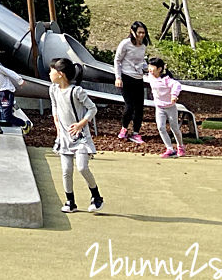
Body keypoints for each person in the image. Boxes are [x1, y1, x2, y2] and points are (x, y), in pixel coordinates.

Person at [49, 57, 103, 213]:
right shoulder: (53, 89)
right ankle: (70, 202)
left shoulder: (76, 91)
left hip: (80, 138)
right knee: (66, 170)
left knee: (82, 167)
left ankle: (96, 196)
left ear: (60, 73)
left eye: (52, 70)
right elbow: (54, 106)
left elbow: (93, 109)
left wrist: (81, 124)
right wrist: (57, 124)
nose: (50, 73)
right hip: (63, 138)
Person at [114, 21, 150, 144]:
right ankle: (124, 128)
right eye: (139, 32)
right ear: (132, 32)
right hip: (126, 77)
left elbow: (141, 62)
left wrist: (148, 68)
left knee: (139, 107)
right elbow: (117, 60)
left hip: (138, 78)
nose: (141, 35)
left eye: (143, 33)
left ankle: (136, 133)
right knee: (129, 106)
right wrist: (118, 77)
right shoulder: (125, 44)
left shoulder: (144, 45)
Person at [146, 57, 186, 158]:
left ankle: (180, 146)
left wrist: (174, 95)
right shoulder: (150, 76)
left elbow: (177, 85)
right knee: (160, 127)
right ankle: (169, 148)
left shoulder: (166, 79)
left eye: (152, 67)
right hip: (159, 107)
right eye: (149, 66)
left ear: (159, 69)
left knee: (175, 128)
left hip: (170, 107)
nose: (150, 69)